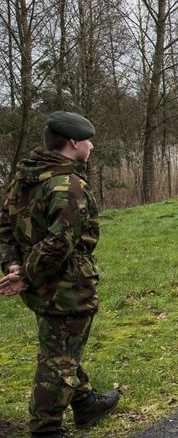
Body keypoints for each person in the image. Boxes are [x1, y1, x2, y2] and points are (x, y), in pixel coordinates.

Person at [0, 112, 120, 437]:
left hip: (39, 288)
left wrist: (12, 264)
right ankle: (46, 428)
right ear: (73, 143)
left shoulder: (26, 176)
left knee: (59, 347)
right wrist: (23, 273)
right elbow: (60, 242)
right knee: (59, 361)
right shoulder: (68, 185)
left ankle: (84, 404)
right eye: (88, 140)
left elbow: (5, 226)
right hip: (66, 288)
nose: (92, 146)